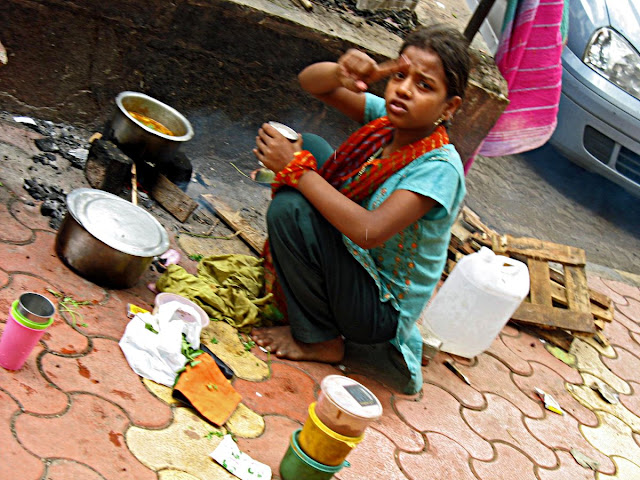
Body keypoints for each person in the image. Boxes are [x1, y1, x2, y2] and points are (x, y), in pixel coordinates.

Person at [250, 23, 470, 394]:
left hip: (380, 310)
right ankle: (316, 304)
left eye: (424, 85)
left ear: (449, 107)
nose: (404, 89)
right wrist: (344, 72)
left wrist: (294, 168)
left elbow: (369, 231)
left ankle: (319, 338)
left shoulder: (439, 168)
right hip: (356, 269)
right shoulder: (388, 121)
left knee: (291, 209)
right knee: (318, 147)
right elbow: (311, 82)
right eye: (401, 75)